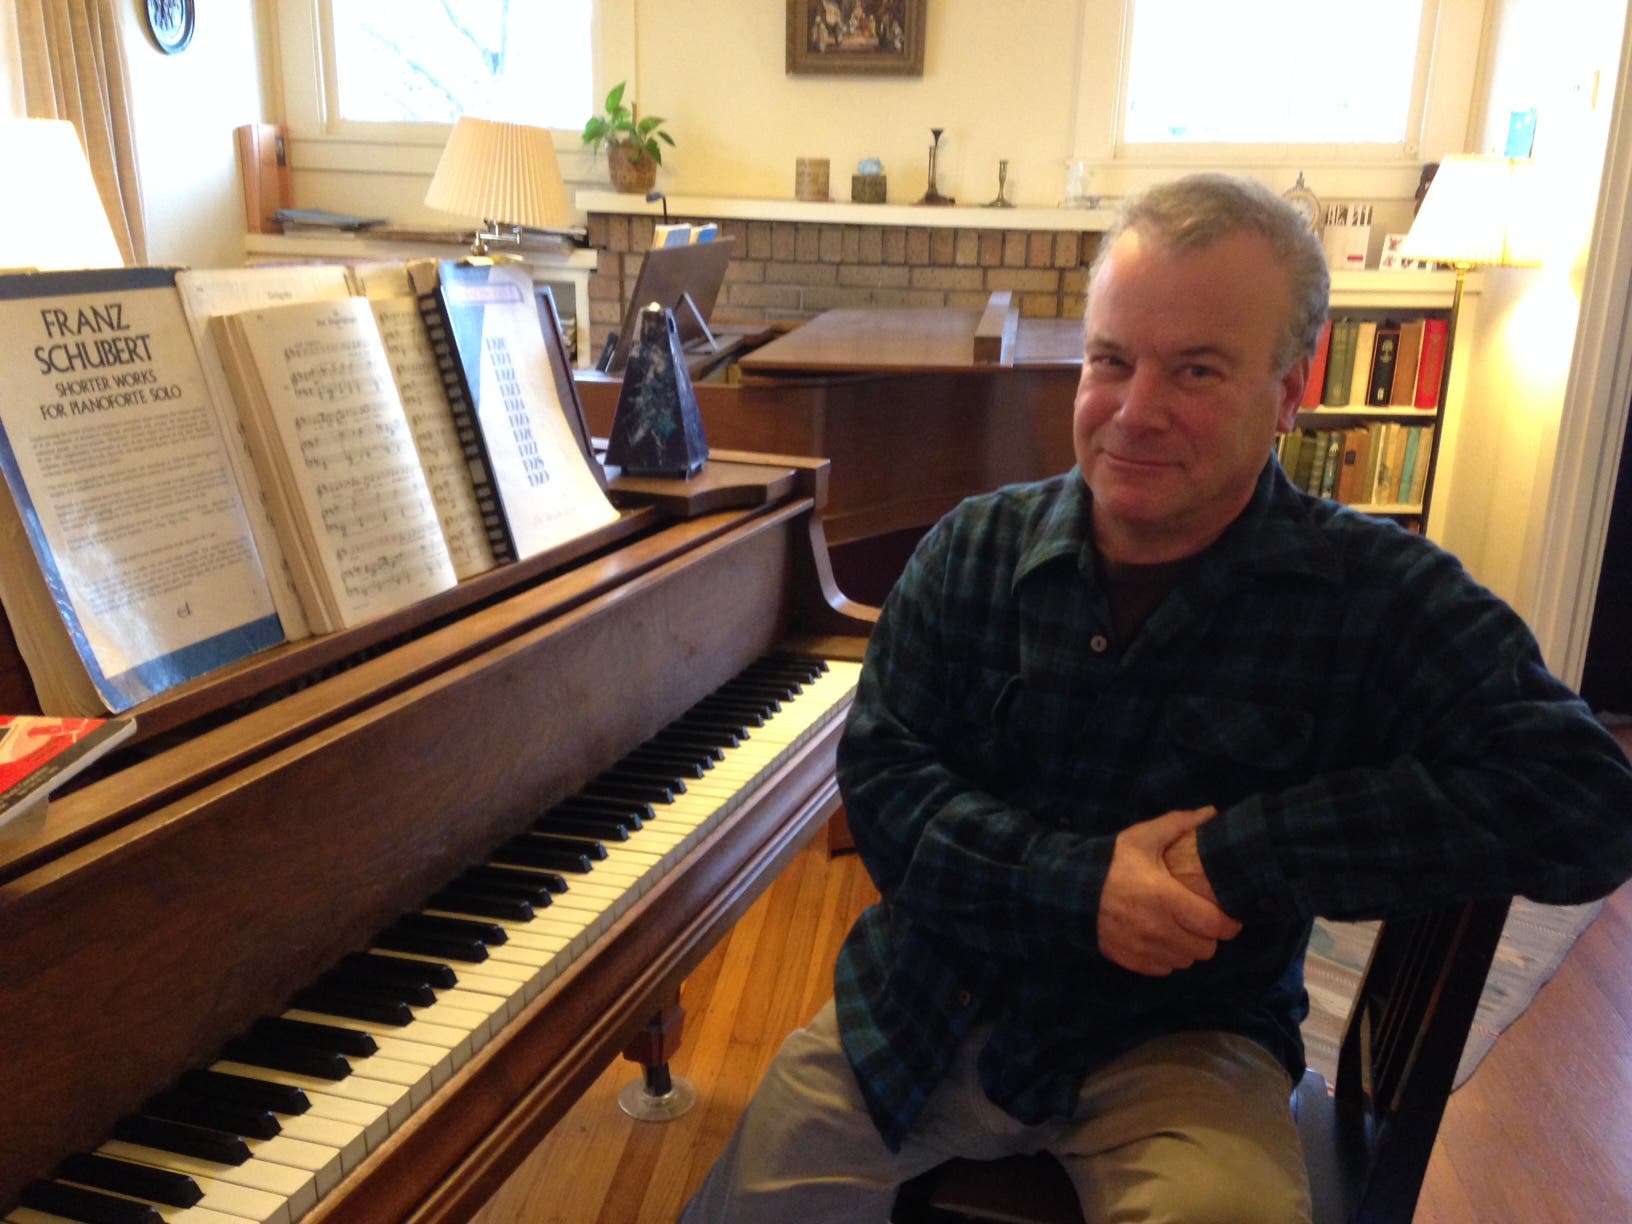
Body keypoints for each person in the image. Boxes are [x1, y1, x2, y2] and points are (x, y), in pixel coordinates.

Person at [679, 172, 1632, 1223]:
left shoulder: (1373, 596)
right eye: (1111, 361)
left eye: (1196, 370)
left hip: (1186, 1044)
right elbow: (885, 785)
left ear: (1290, 389)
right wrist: (1082, 887)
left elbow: (1586, 800)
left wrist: (1241, 857)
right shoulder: (971, 549)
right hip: (925, 1011)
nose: (1134, 413)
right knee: (753, 1200)